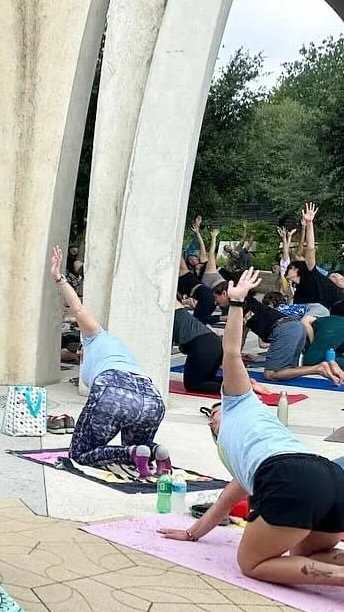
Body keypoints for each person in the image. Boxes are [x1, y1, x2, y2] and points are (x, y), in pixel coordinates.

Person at [159, 268, 344, 590]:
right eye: (210, 417)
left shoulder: (239, 403)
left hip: (293, 474)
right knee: (310, 554)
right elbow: (223, 504)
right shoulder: (245, 463)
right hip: (328, 478)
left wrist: (236, 304)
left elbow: (231, 352)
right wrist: (191, 533)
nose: (212, 416)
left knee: (251, 563)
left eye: (213, 410)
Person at [52, 246, 170, 476]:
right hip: (151, 397)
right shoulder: (115, 350)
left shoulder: (95, 337)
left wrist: (59, 279)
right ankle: (157, 453)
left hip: (113, 388)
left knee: (80, 453)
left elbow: (78, 309)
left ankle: (131, 453)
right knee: (141, 447)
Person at [215, 275, 344, 386]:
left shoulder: (240, 305)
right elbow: (242, 335)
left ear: (225, 293)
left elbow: (238, 337)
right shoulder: (250, 303)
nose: (216, 302)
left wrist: (230, 360)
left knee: (270, 374)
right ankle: (325, 367)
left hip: (285, 329)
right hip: (295, 326)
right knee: (287, 370)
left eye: (216, 298)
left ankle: (319, 368)